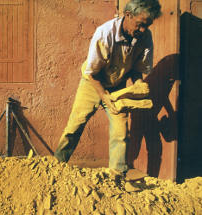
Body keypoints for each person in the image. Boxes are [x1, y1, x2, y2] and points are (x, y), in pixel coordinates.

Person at [54, 0, 162, 176]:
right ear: (128, 15)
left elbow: (136, 70)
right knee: (75, 124)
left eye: (147, 26)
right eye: (140, 25)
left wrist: (137, 85)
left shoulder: (145, 37)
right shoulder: (105, 33)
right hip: (92, 82)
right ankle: (56, 166)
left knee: (121, 132)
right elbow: (91, 73)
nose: (143, 30)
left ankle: (117, 175)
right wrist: (103, 96)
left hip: (117, 86)